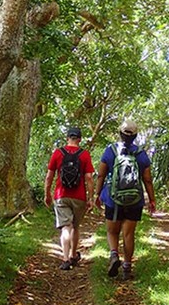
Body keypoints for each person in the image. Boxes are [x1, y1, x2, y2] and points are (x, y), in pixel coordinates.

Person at [95, 120, 156, 280]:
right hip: (134, 199)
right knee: (129, 234)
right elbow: (147, 179)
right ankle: (127, 268)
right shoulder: (141, 154)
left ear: (120, 134)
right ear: (135, 136)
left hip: (113, 198)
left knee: (112, 231)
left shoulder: (110, 151)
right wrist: (152, 199)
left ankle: (114, 254)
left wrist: (97, 194)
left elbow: (101, 174)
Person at [44, 127, 95, 270]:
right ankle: (73, 255)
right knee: (75, 227)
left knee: (66, 227)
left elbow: (49, 176)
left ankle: (65, 259)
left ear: (67, 138)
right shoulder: (84, 155)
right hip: (79, 197)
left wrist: (47, 194)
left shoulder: (58, 153)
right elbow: (89, 178)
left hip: (61, 195)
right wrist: (91, 198)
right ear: (79, 139)